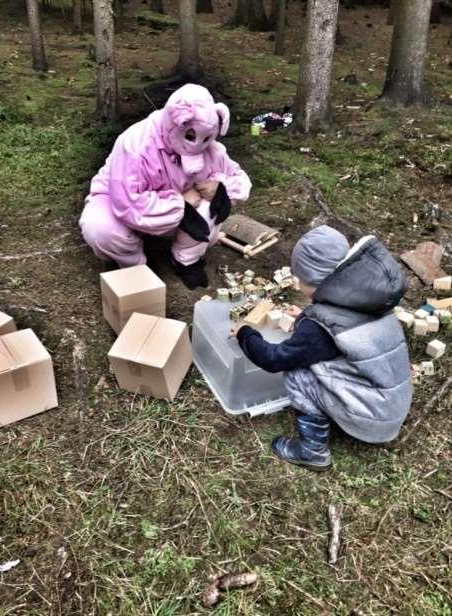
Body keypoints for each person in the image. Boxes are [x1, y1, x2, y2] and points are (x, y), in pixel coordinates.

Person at [233, 225, 412, 471]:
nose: (296, 286)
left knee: (298, 373)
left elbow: (273, 359)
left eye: (300, 279)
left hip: (372, 418)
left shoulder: (318, 329)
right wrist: (307, 318)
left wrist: (245, 333)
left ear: (318, 282)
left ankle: (313, 451)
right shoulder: (372, 297)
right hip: (392, 404)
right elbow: (338, 323)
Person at [79, 84, 251, 289]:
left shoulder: (211, 149)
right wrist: (180, 203)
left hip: (172, 212)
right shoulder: (134, 145)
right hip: (120, 203)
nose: (196, 146)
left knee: (212, 203)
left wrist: (219, 186)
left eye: (206, 139)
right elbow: (128, 203)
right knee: (99, 228)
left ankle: (185, 259)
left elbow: (239, 179)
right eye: (190, 136)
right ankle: (134, 264)